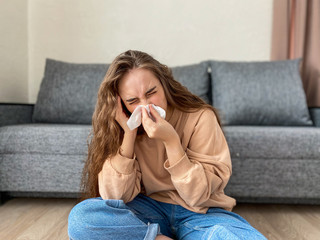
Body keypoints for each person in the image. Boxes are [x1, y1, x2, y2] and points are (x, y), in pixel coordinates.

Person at [68, 50, 267, 240]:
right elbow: (115, 195)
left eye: (152, 92)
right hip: (147, 212)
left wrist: (171, 141)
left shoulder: (200, 118)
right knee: (81, 220)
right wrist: (128, 135)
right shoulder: (121, 127)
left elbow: (198, 196)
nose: (145, 106)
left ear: (164, 85)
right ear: (122, 104)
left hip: (201, 213)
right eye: (133, 101)